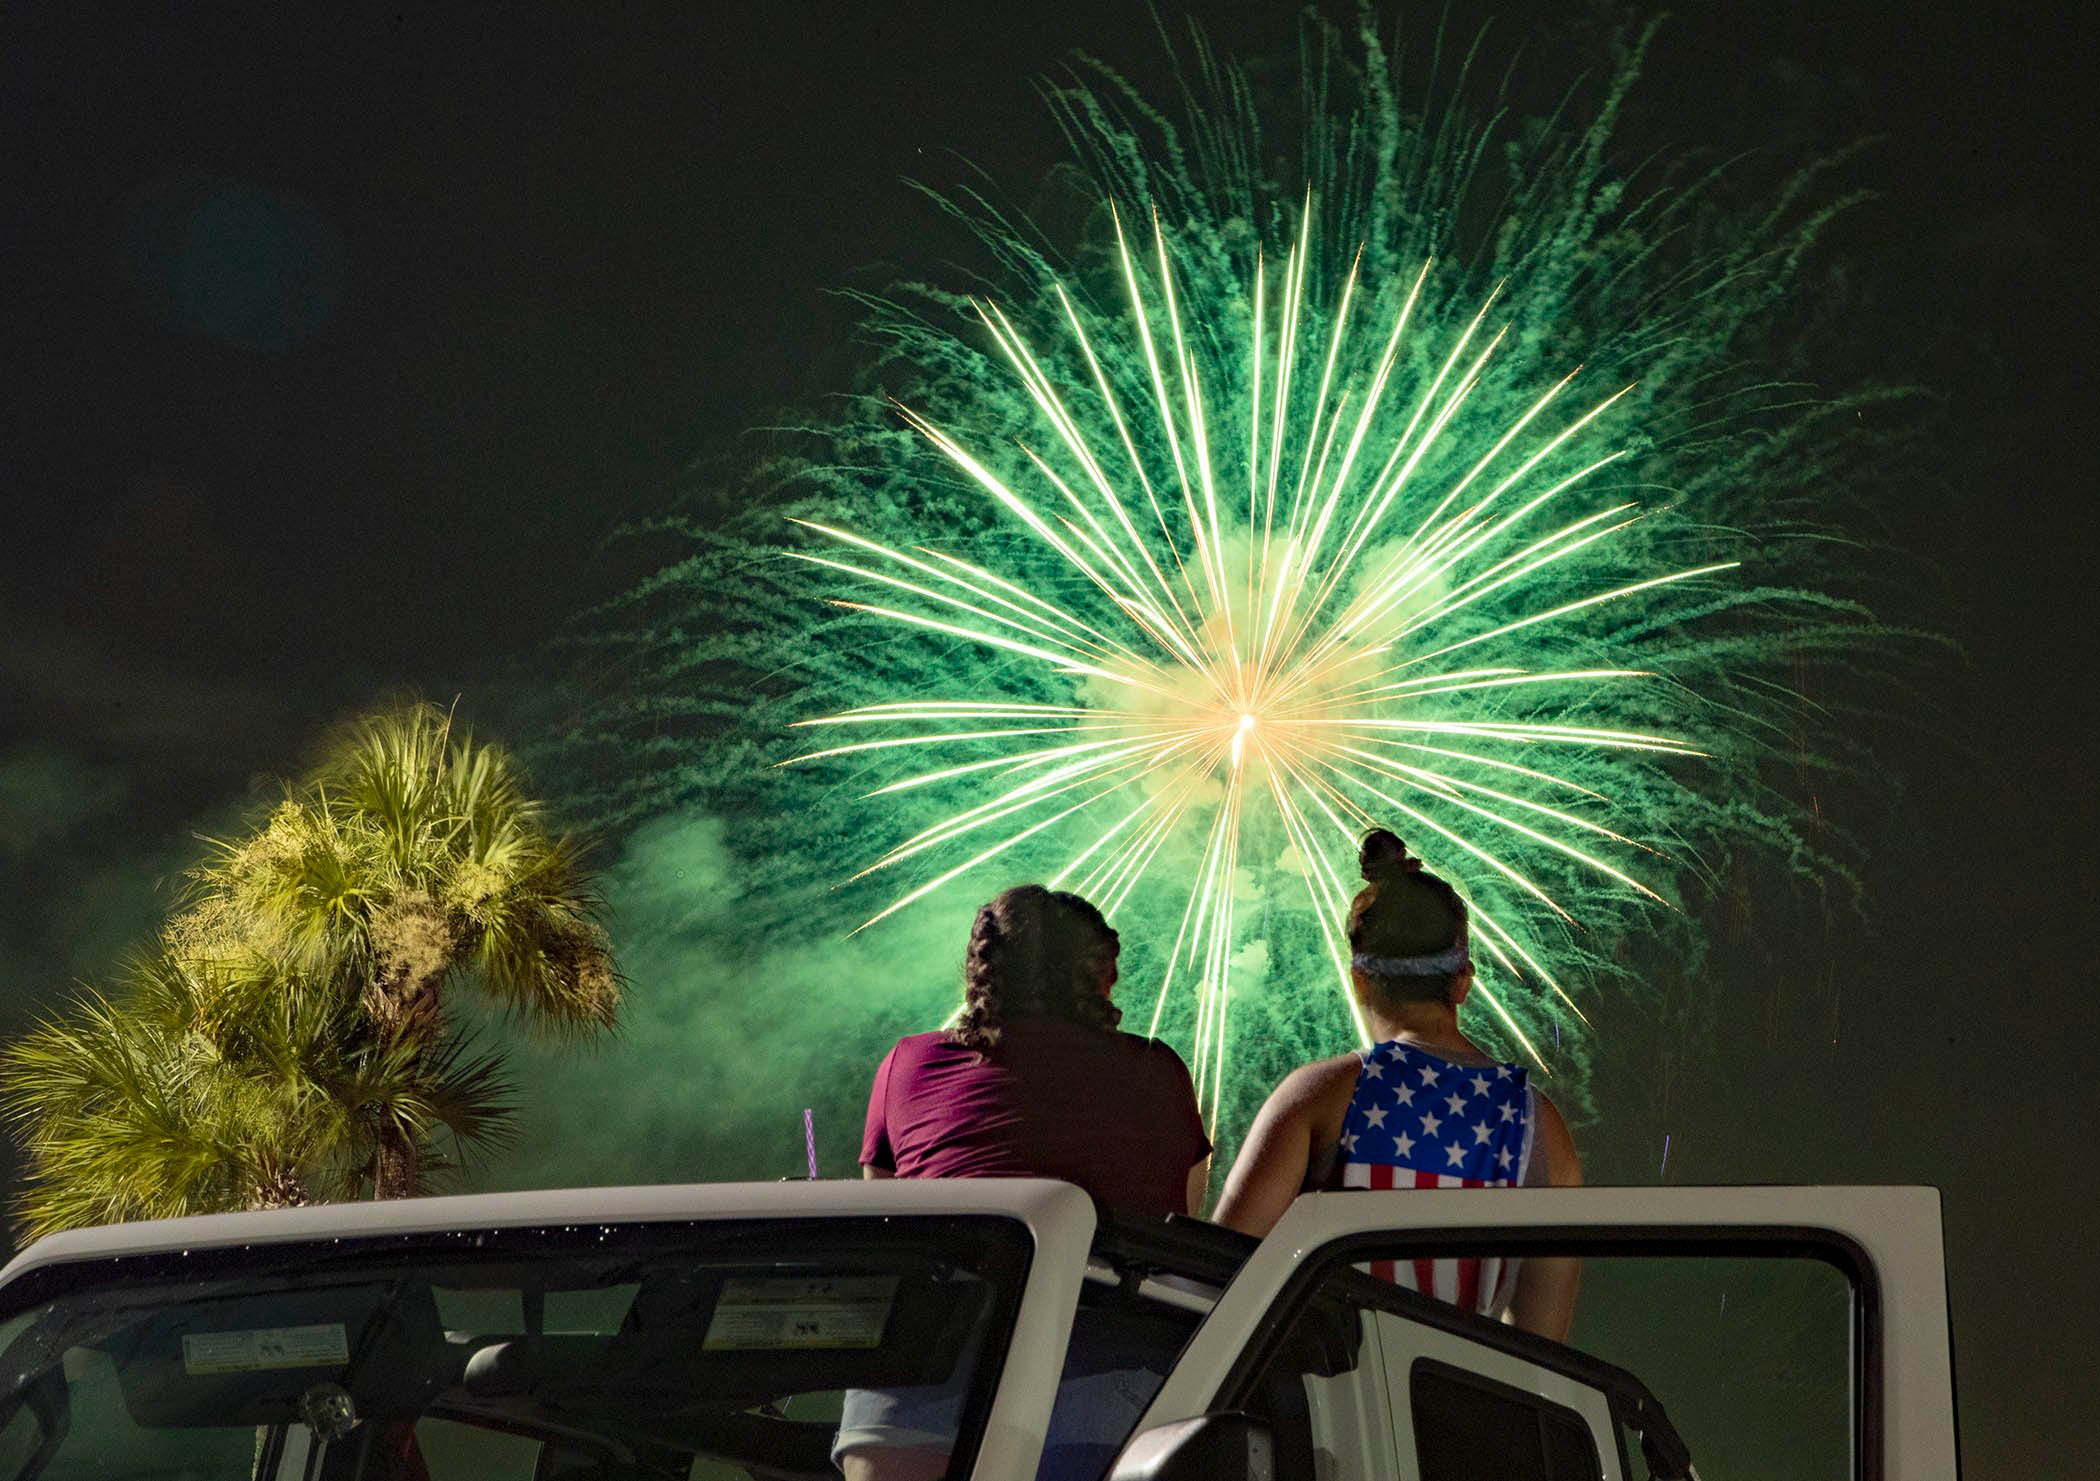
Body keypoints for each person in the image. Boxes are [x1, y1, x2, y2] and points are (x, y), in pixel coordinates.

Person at [839, 884, 1211, 1481]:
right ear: (1099, 974)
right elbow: (1181, 1220)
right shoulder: (1156, 1069)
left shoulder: (908, 1064)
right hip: (1103, 1361)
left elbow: (888, 1212)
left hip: (922, 1370)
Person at [1213, 829, 1582, 1340]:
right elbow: (1544, 1341)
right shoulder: (1541, 1126)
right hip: (1457, 1404)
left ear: (1358, 977)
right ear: (1464, 982)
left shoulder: (1321, 1095)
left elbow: (1219, 1273)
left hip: (1332, 1402)